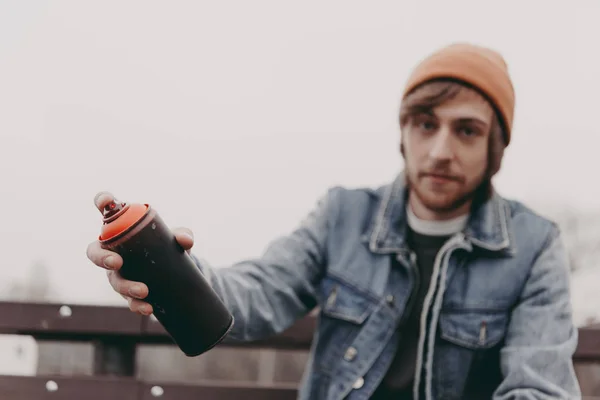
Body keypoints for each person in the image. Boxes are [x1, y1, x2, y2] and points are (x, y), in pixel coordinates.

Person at [86, 43, 581, 399]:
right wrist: (173, 273)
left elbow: (539, 388)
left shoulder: (535, 246)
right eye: (426, 123)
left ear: (494, 149)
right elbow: (260, 293)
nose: (441, 151)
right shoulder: (343, 216)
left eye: (467, 131)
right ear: (404, 131)